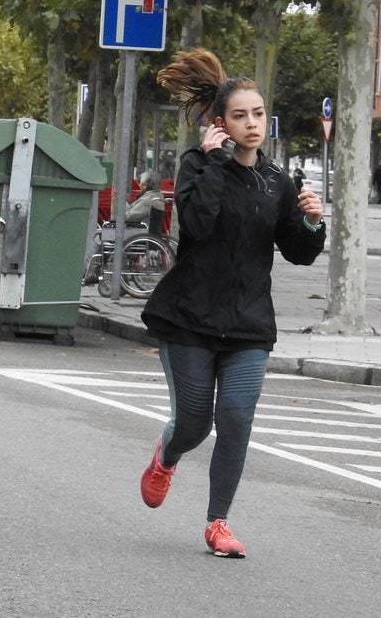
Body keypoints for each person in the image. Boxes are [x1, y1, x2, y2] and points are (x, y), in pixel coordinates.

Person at [139, 48, 325, 558]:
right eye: (240, 116)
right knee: (195, 423)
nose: (252, 124)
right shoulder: (198, 166)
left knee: (237, 418)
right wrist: (216, 161)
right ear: (220, 123)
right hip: (190, 320)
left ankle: (218, 522)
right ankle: (166, 457)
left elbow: (298, 252)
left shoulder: (277, 182)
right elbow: (197, 225)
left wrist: (312, 221)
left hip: (247, 324)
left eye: (258, 114)